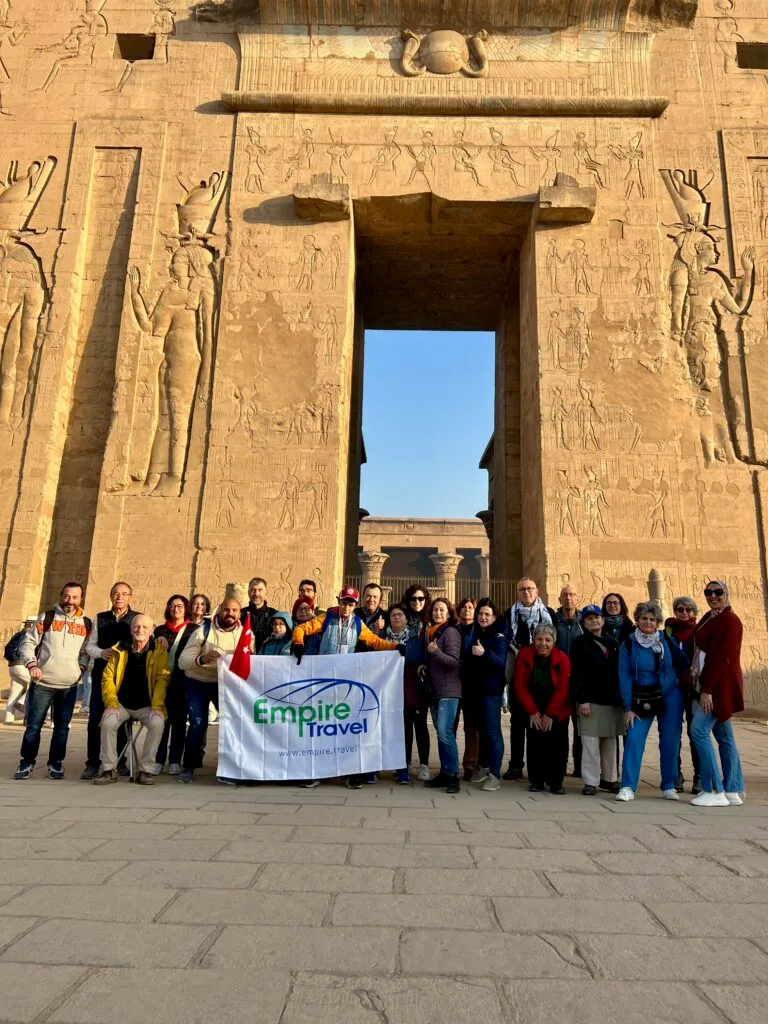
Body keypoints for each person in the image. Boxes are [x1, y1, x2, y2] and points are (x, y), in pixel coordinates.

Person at [291, 585, 399, 789]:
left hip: (344, 683)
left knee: (345, 729)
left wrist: (394, 647)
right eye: (344, 602)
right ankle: (315, 772)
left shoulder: (358, 624)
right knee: (320, 727)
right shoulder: (325, 618)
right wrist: (298, 642)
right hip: (322, 681)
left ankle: (349, 773)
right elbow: (301, 628)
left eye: (351, 603)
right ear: (339, 601)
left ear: (355, 605)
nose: (347, 606)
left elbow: (375, 641)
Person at [14, 583, 91, 780]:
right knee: (34, 726)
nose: (70, 601)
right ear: (61, 596)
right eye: (67, 596)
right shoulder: (47, 617)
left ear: (80, 599)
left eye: (74, 597)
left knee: (62, 727)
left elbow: (85, 651)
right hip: (43, 682)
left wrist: (81, 669)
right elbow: (28, 642)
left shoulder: (86, 623)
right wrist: (32, 664)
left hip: (69, 684)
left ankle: (56, 763)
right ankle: (26, 762)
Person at [616, 600, 689, 802]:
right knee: (634, 739)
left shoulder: (666, 640)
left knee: (670, 741)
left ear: (657, 622)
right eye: (644, 618)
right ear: (637, 620)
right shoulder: (629, 643)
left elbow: (682, 661)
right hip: (642, 697)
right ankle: (628, 786)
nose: (648, 622)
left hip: (669, 695)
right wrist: (628, 707)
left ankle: (668, 785)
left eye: (652, 619)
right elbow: (624, 675)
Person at [689, 580, 745, 807]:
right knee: (724, 737)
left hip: (717, 687)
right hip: (712, 684)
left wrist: (708, 690)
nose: (713, 596)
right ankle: (733, 789)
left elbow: (722, 658)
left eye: (718, 592)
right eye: (708, 592)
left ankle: (714, 790)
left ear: (726, 593)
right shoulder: (711, 617)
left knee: (698, 731)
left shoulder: (729, 621)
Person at [95, 614, 170, 786]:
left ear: (151, 631)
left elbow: (162, 679)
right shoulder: (119, 649)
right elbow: (107, 677)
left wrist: (157, 706)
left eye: (145, 627)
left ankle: (145, 770)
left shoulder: (158, 651)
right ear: (131, 629)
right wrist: (111, 704)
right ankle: (108, 769)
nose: (140, 630)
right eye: (136, 627)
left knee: (158, 724)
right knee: (107, 722)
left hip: (147, 706)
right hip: (121, 704)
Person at [177, 595, 244, 784]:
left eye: (234, 610)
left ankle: (230, 766)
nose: (230, 614)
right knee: (198, 724)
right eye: (226, 609)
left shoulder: (244, 634)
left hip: (224, 684)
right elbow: (183, 662)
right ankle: (188, 765)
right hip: (198, 681)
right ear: (219, 610)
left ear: (239, 613)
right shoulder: (202, 631)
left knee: (232, 724)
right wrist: (203, 659)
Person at [80, 582, 138, 780]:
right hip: (101, 677)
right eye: (116, 593)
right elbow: (90, 646)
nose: (119, 597)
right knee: (95, 720)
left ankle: (119, 761)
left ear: (130, 597)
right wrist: (100, 652)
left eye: (124, 594)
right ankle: (92, 763)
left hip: (124, 679)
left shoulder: (135, 619)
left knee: (121, 721)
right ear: (111, 596)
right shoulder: (100, 618)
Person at [501, 577, 555, 781]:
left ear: (537, 590)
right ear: (517, 592)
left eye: (530, 588)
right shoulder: (509, 614)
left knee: (539, 721)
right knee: (518, 722)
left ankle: (540, 765)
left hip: (542, 674)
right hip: (518, 672)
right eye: (522, 589)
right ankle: (515, 764)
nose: (526, 592)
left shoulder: (548, 614)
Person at [570, 605, 624, 795]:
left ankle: (609, 779)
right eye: (589, 618)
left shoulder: (612, 641)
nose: (594, 621)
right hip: (590, 699)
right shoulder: (579, 643)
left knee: (610, 741)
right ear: (584, 622)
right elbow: (577, 673)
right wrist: (581, 699)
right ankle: (590, 781)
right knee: (590, 742)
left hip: (611, 699)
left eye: (597, 617)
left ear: (602, 619)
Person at [513, 623, 571, 794]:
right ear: (533, 639)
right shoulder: (524, 655)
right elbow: (519, 685)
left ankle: (556, 782)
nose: (543, 644)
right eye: (539, 639)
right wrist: (532, 711)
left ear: (554, 642)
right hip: (534, 704)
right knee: (535, 741)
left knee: (558, 744)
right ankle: (536, 780)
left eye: (547, 640)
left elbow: (563, 689)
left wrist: (550, 714)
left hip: (558, 707)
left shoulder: (562, 659)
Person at [379, 603, 425, 784]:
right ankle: (399, 764)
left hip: (410, 688)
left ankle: (418, 764)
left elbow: (419, 659)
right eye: (393, 615)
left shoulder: (415, 638)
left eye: (400, 614)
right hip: (389, 689)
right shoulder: (381, 637)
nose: (396, 617)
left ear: (406, 618)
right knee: (396, 728)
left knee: (415, 726)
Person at [465, 599, 508, 792]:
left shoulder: (499, 636)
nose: (483, 617)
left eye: (487, 614)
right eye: (480, 614)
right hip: (477, 691)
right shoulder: (477, 632)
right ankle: (484, 767)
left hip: (491, 692)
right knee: (482, 731)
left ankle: (495, 775)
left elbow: (502, 664)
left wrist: (485, 653)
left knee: (493, 733)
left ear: (494, 616)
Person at [153, 595, 197, 775]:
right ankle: (158, 759)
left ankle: (175, 760)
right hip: (163, 681)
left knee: (179, 723)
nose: (175, 609)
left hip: (183, 681)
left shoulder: (193, 630)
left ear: (186, 608)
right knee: (161, 722)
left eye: (179, 605)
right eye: (172, 605)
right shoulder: (160, 630)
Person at [423, 597, 462, 794]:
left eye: (442, 610)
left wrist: (436, 652)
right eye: (435, 610)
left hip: (448, 690)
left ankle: (454, 775)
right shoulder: (433, 632)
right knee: (441, 733)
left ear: (448, 613)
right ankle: (445, 772)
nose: (438, 613)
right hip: (436, 691)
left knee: (446, 734)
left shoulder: (451, 632)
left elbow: (454, 661)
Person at [665, 596, 701, 795]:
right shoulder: (669, 632)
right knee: (673, 733)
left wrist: (689, 677)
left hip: (692, 688)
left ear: (693, 612)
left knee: (695, 733)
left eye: (688, 609)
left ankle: (699, 775)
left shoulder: (699, 632)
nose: (684, 613)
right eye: (680, 609)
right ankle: (675, 773)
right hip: (673, 689)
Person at [553, 584, 584, 778]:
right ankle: (560, 763)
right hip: (559, 679)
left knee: (580, 727)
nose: (568, 598)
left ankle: (580, 765)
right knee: (560, 727)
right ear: (560, 599)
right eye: (565, 595)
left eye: (572, 595)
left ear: (577, 598)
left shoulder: (585, 622)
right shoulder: (554, 621)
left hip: (580, 680)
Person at [457, 596, 480, 781]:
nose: (467, 610)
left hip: (473, 683)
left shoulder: (480, 631)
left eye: (470, 607)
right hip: (454, 682)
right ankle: (449, 764)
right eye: (464, 607)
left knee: (472, 727)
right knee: (451, 726)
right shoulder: (452, 629)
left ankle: (471, 764)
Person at [3, 616, 35, 724]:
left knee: (14, 692)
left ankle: (9, 717)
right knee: (36, 684)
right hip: (22, 665)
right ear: (32, 624)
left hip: (12, 666)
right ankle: (21, 702)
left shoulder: (18, 634)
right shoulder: (29, 636)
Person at [241, 578, 276, 654]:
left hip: (268, 658)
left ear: (266, 592)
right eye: (253, 590)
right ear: (248, 593)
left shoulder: (275, 615)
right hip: (246, 658)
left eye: (260, 590)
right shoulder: (240, 615)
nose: (256, 594)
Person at [355, 583, 387, 648]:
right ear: (363, 597)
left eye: (375, 597)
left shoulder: (386, 617)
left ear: (380, 600)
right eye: (368, 596)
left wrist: (378, 632)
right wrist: (373, 628)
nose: (371, 599)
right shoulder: (354, 614)